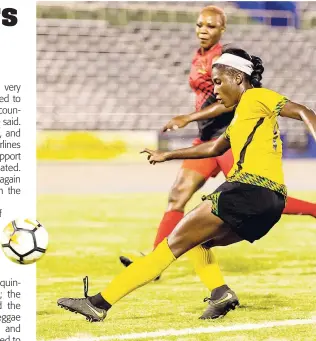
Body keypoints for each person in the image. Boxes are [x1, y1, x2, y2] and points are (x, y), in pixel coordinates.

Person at [57, 47, 316, 323]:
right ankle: (220, 294)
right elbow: (214, 148)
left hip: (246, 191)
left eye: (218, 82)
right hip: (271, 203)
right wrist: (168, 155)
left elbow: (303, 110)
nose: (215, 90)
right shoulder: (244, 115)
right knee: (198, 242)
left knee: (169, 248)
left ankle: (99, 304)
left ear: (238, 78)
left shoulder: (256, 96)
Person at [119, 4, 316, 319]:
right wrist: (169, 152)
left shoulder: (229, 68)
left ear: (222, 30)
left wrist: (188, 117)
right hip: (210, 140)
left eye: (210, 26)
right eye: (200, 24)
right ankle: (166, 268)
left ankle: (155, 264)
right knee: (181, 198)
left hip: (230, 138)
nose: (203, 30)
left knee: (254, 188)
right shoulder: (200, 58)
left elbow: (228, 107)